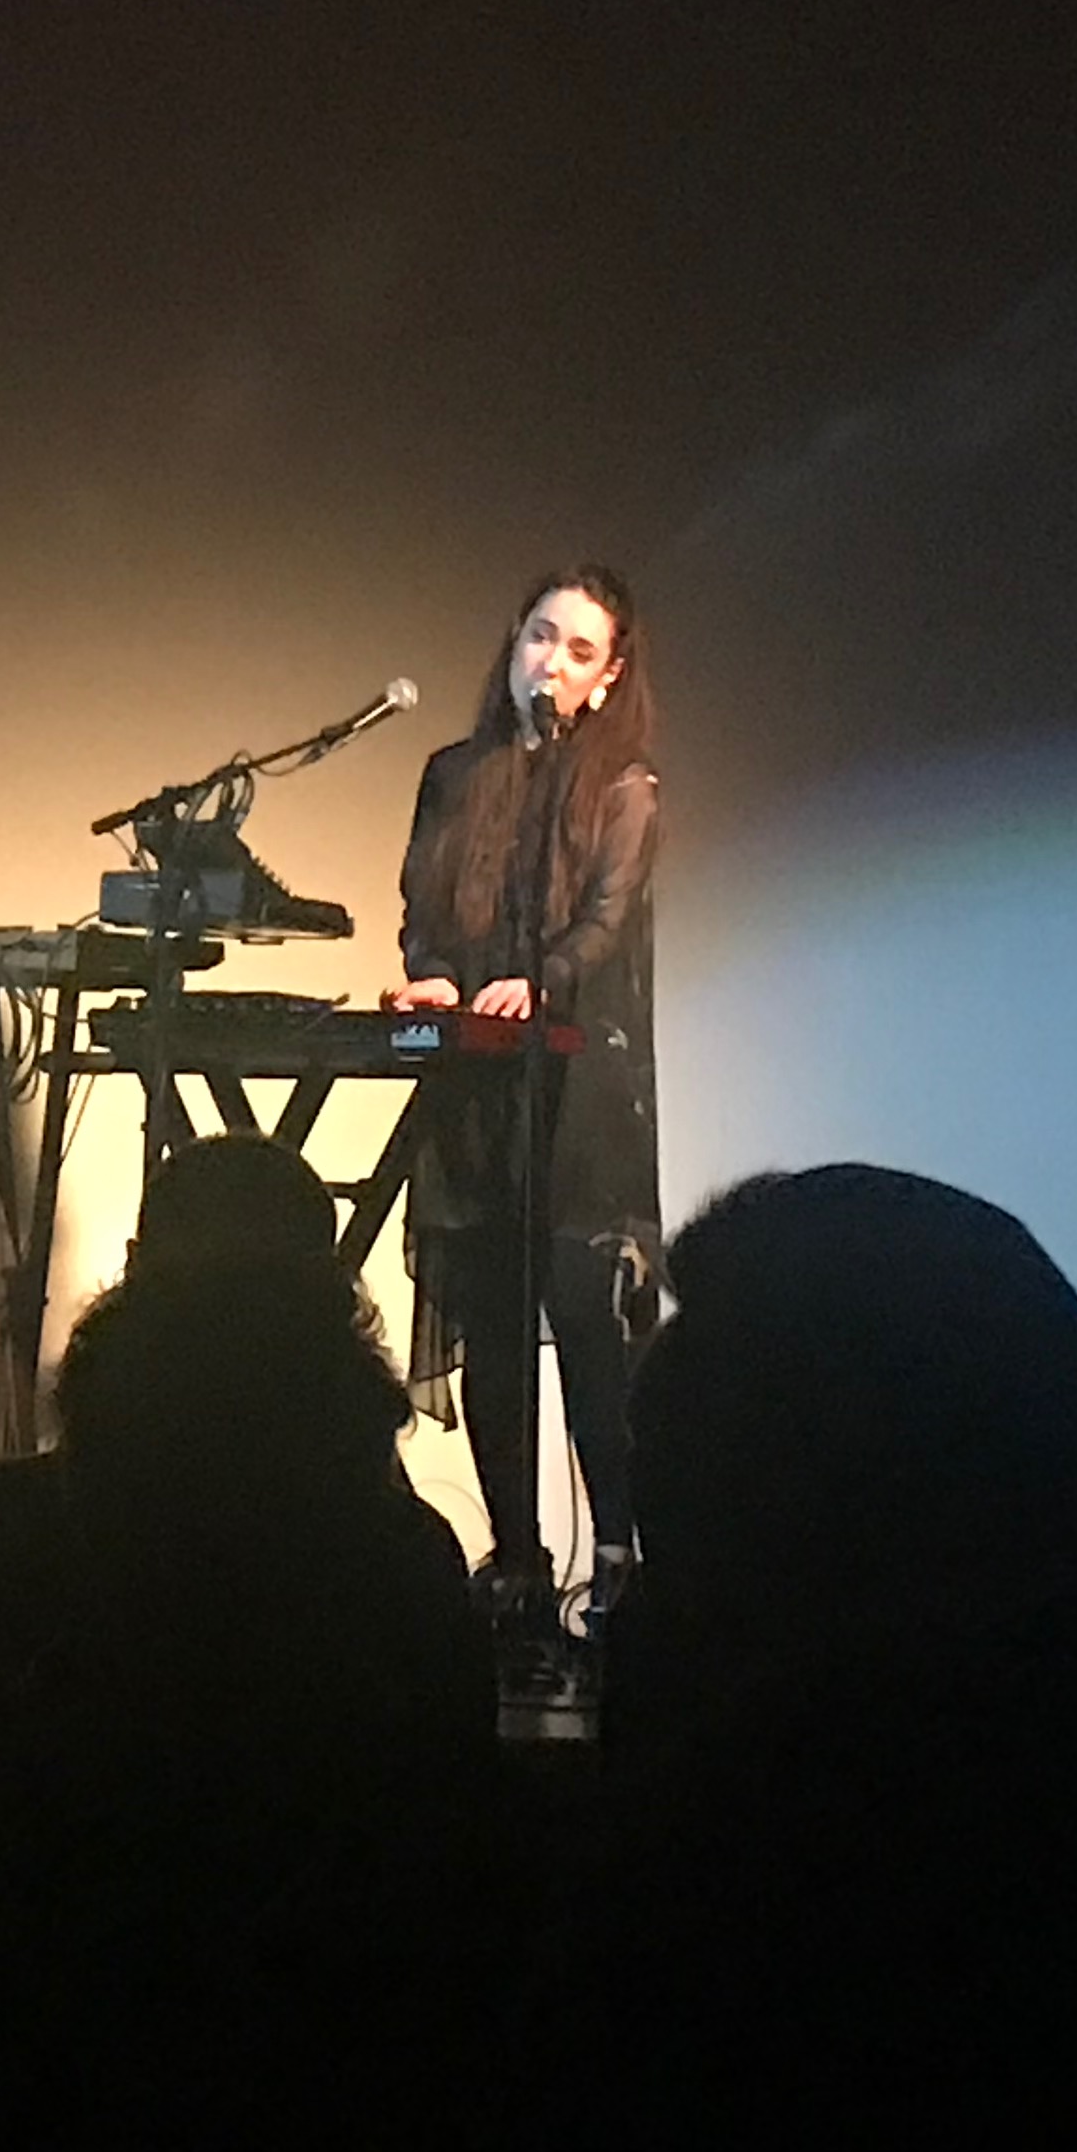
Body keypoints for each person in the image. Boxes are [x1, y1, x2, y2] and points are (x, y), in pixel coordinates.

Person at [384, 563, 662, 1661]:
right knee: (494, 1319)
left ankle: (624, 1559)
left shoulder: (622, 787)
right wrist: (437, 977)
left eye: (578, 649)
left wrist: (538, 979)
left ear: (606, 679)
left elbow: (603, 923)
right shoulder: (454, 773)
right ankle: (516, 1561)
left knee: (585, 1321)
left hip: (574, 1082)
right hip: (478, 1083)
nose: (550, 660)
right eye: (541, 636)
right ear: (513, 644)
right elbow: (421, 910)